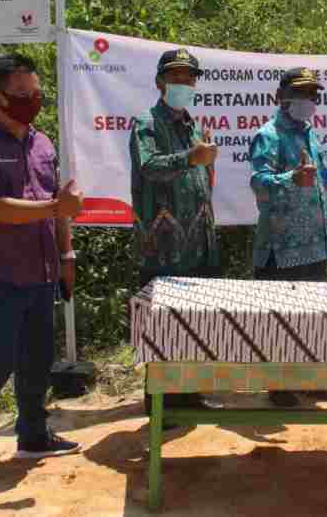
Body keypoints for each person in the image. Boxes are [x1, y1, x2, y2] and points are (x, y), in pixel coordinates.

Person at [0, 53, 84, 478]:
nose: (31, 100)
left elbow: (60, 206)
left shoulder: (43, 143)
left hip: (43, 273)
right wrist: (54, 206)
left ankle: (32, 433)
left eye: (36, 93)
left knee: (37, 359)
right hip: (1, 277)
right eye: (21, 94)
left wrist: (67, 256)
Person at [249, 67, 327, 408]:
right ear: (280, 97)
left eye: (312, 95)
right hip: (283, 248)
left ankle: (312, 381)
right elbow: (259, 183)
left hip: (315, 245)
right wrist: (292, 179)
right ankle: (279, 386)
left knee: (312, 318)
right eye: (300, 93)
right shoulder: (269, 135)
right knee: (282, 319)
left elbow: (318, 182)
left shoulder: (311, 134)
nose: (308, 101)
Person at [130, 47, 222, 413]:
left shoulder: (194, 126)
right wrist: (190, 158)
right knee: (161, 327)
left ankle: (190, 395)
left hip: (197, 244)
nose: (183, 83)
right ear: (159, 82)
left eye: (188, 78)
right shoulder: (146, 124)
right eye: (175, 77)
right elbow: (149, 165)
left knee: (194, 325)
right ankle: (160, 406)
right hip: (162, 246)